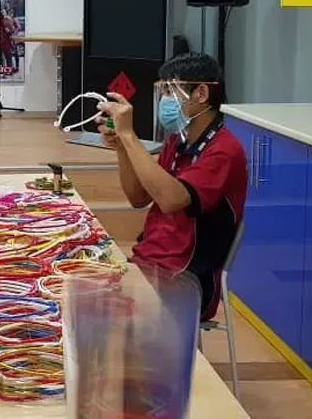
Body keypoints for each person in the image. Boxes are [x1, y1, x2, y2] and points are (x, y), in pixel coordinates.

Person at [96, 52, 247, 320]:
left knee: (97, 308)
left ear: (201, 93)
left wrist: (129, 135)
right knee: (75, 281)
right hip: (151, 259)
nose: (165, 100)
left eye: (170, 91)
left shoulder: (224, 150)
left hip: (188, 278)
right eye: (163, 91)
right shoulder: (177, 142)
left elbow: (171, 200)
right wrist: (121, 145)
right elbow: (138, 197)